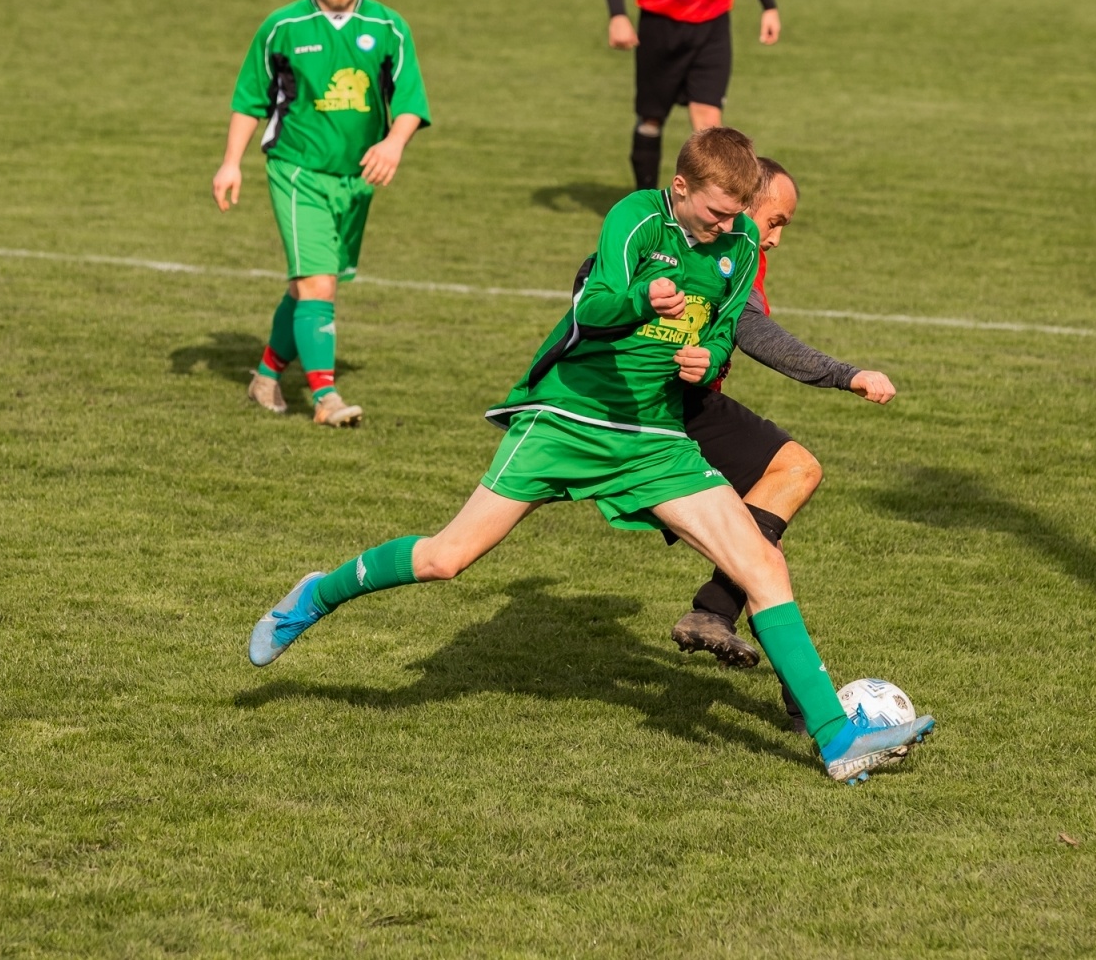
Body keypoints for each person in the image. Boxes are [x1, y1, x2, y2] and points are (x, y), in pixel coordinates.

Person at [247, 130, 935, 784]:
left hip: (655, 435)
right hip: (571, 419)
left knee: (762, 563)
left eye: (737, 216)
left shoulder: (742, 242)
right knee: (444, 559)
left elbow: (727, 331)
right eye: (717, 213)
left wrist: (706, 360)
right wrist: (643, 298)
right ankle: (319, 593)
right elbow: (594, 304)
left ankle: (838, 741)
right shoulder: (637, 220)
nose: (728, 227)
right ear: (681, 187)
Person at [665, 161, 898, 728]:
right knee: (449, 555)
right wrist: (844, 373)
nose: (776, 238)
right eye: (775, 221)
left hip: (688, 405)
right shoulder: (676, 239)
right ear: (740, 203)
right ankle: (805, 705)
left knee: (783, 494)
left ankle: (790, 693)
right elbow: (754, 332)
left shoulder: (742, 252)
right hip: (649, 410)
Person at [213, 0, 431, 428]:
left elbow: (410, 102)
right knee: (318, 284)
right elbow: (250, 100)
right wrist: (230, 164)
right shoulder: (283, 28)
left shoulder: (387, 27)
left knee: (305, 288)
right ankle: (326, 397)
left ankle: (265, 377)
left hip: (356, 181)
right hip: (296, 172)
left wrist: (395, 143)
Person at [604, 0, 781, 191]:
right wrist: (617, 16)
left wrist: (769, 6)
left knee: (709, 123)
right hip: (661, 28)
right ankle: (644, 201)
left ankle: (708, 217)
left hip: (713, 27)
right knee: (650, 120)